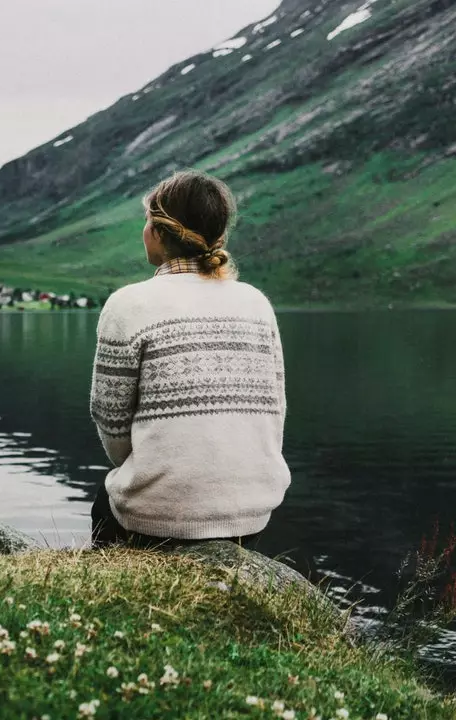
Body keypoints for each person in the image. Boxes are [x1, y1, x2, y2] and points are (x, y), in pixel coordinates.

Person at [88, 170, 290, 550]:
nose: (144, 231)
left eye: (148, 221)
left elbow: (112, 426)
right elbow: (274, 412)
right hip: (252, 514)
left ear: (161, 233)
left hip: (155, 517)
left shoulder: (128, 304)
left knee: (104, 503)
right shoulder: (256, 303)